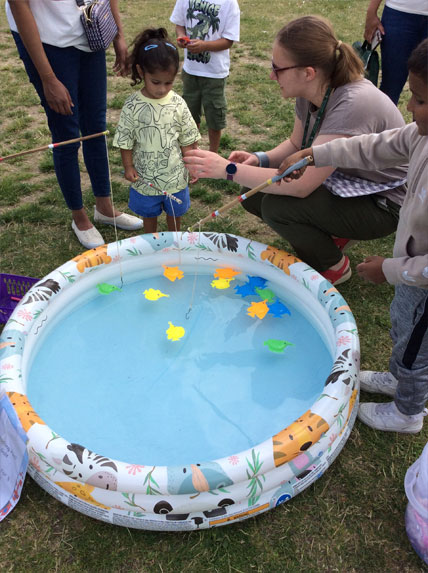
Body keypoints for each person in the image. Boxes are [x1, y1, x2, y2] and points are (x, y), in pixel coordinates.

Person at [183, 15, 408, 286]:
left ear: (307, 72)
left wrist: (227, 170)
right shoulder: (312, 91)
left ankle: (333, 266)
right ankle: (328, 231)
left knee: (278, 205)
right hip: (348, 182)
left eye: (278, 68)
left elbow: (302, 187)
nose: (271, 74)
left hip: (383, 202)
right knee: (253, 194)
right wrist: (259, 159)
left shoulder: (352, 103)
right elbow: (295, 145)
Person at [275, 39, 428, 434]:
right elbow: (373, 147)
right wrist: (316, 154)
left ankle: (408, 412)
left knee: (418, 350)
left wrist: (390, 269)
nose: (410, 107)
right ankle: (398, 378)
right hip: (411, 270)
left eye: (421, 101)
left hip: (419, 274)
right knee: (402, 327)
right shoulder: (419, 135)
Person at [6, 0, 143, 250]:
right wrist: (48, 78)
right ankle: (79, 218)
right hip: (47, 41)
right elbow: (19, 4)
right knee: (66, 132)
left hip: (90, 31)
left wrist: (118, 35)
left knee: (96, 127)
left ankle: (104, 207)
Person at [113, 28, 200, 233]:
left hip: (175, 177)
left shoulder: (178, 103)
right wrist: (128, 166)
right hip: (145, 179)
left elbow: (187, 138)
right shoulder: (132, 105)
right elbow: (125, 140)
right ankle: (150, 244)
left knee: (174, 214)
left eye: (169, 82)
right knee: (149, 215)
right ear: (142, 72)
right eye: (156, 82)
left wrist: (192, 164)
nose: (162, 89)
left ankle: (174, 241)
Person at [170, 0, 240, 153]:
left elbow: (228, 40)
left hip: (214, 73)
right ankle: (192, 151)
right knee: (189, 114)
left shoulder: (229, 3)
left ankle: (213, 153)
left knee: (214, 115)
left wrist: (205, 46)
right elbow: (179, 24)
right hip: (191, 70)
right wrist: (181, 37)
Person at [364, 0, 428, 105]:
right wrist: (371, 11)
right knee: (391, 86)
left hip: (399, 16)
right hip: (399, 13)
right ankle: (383, 121)